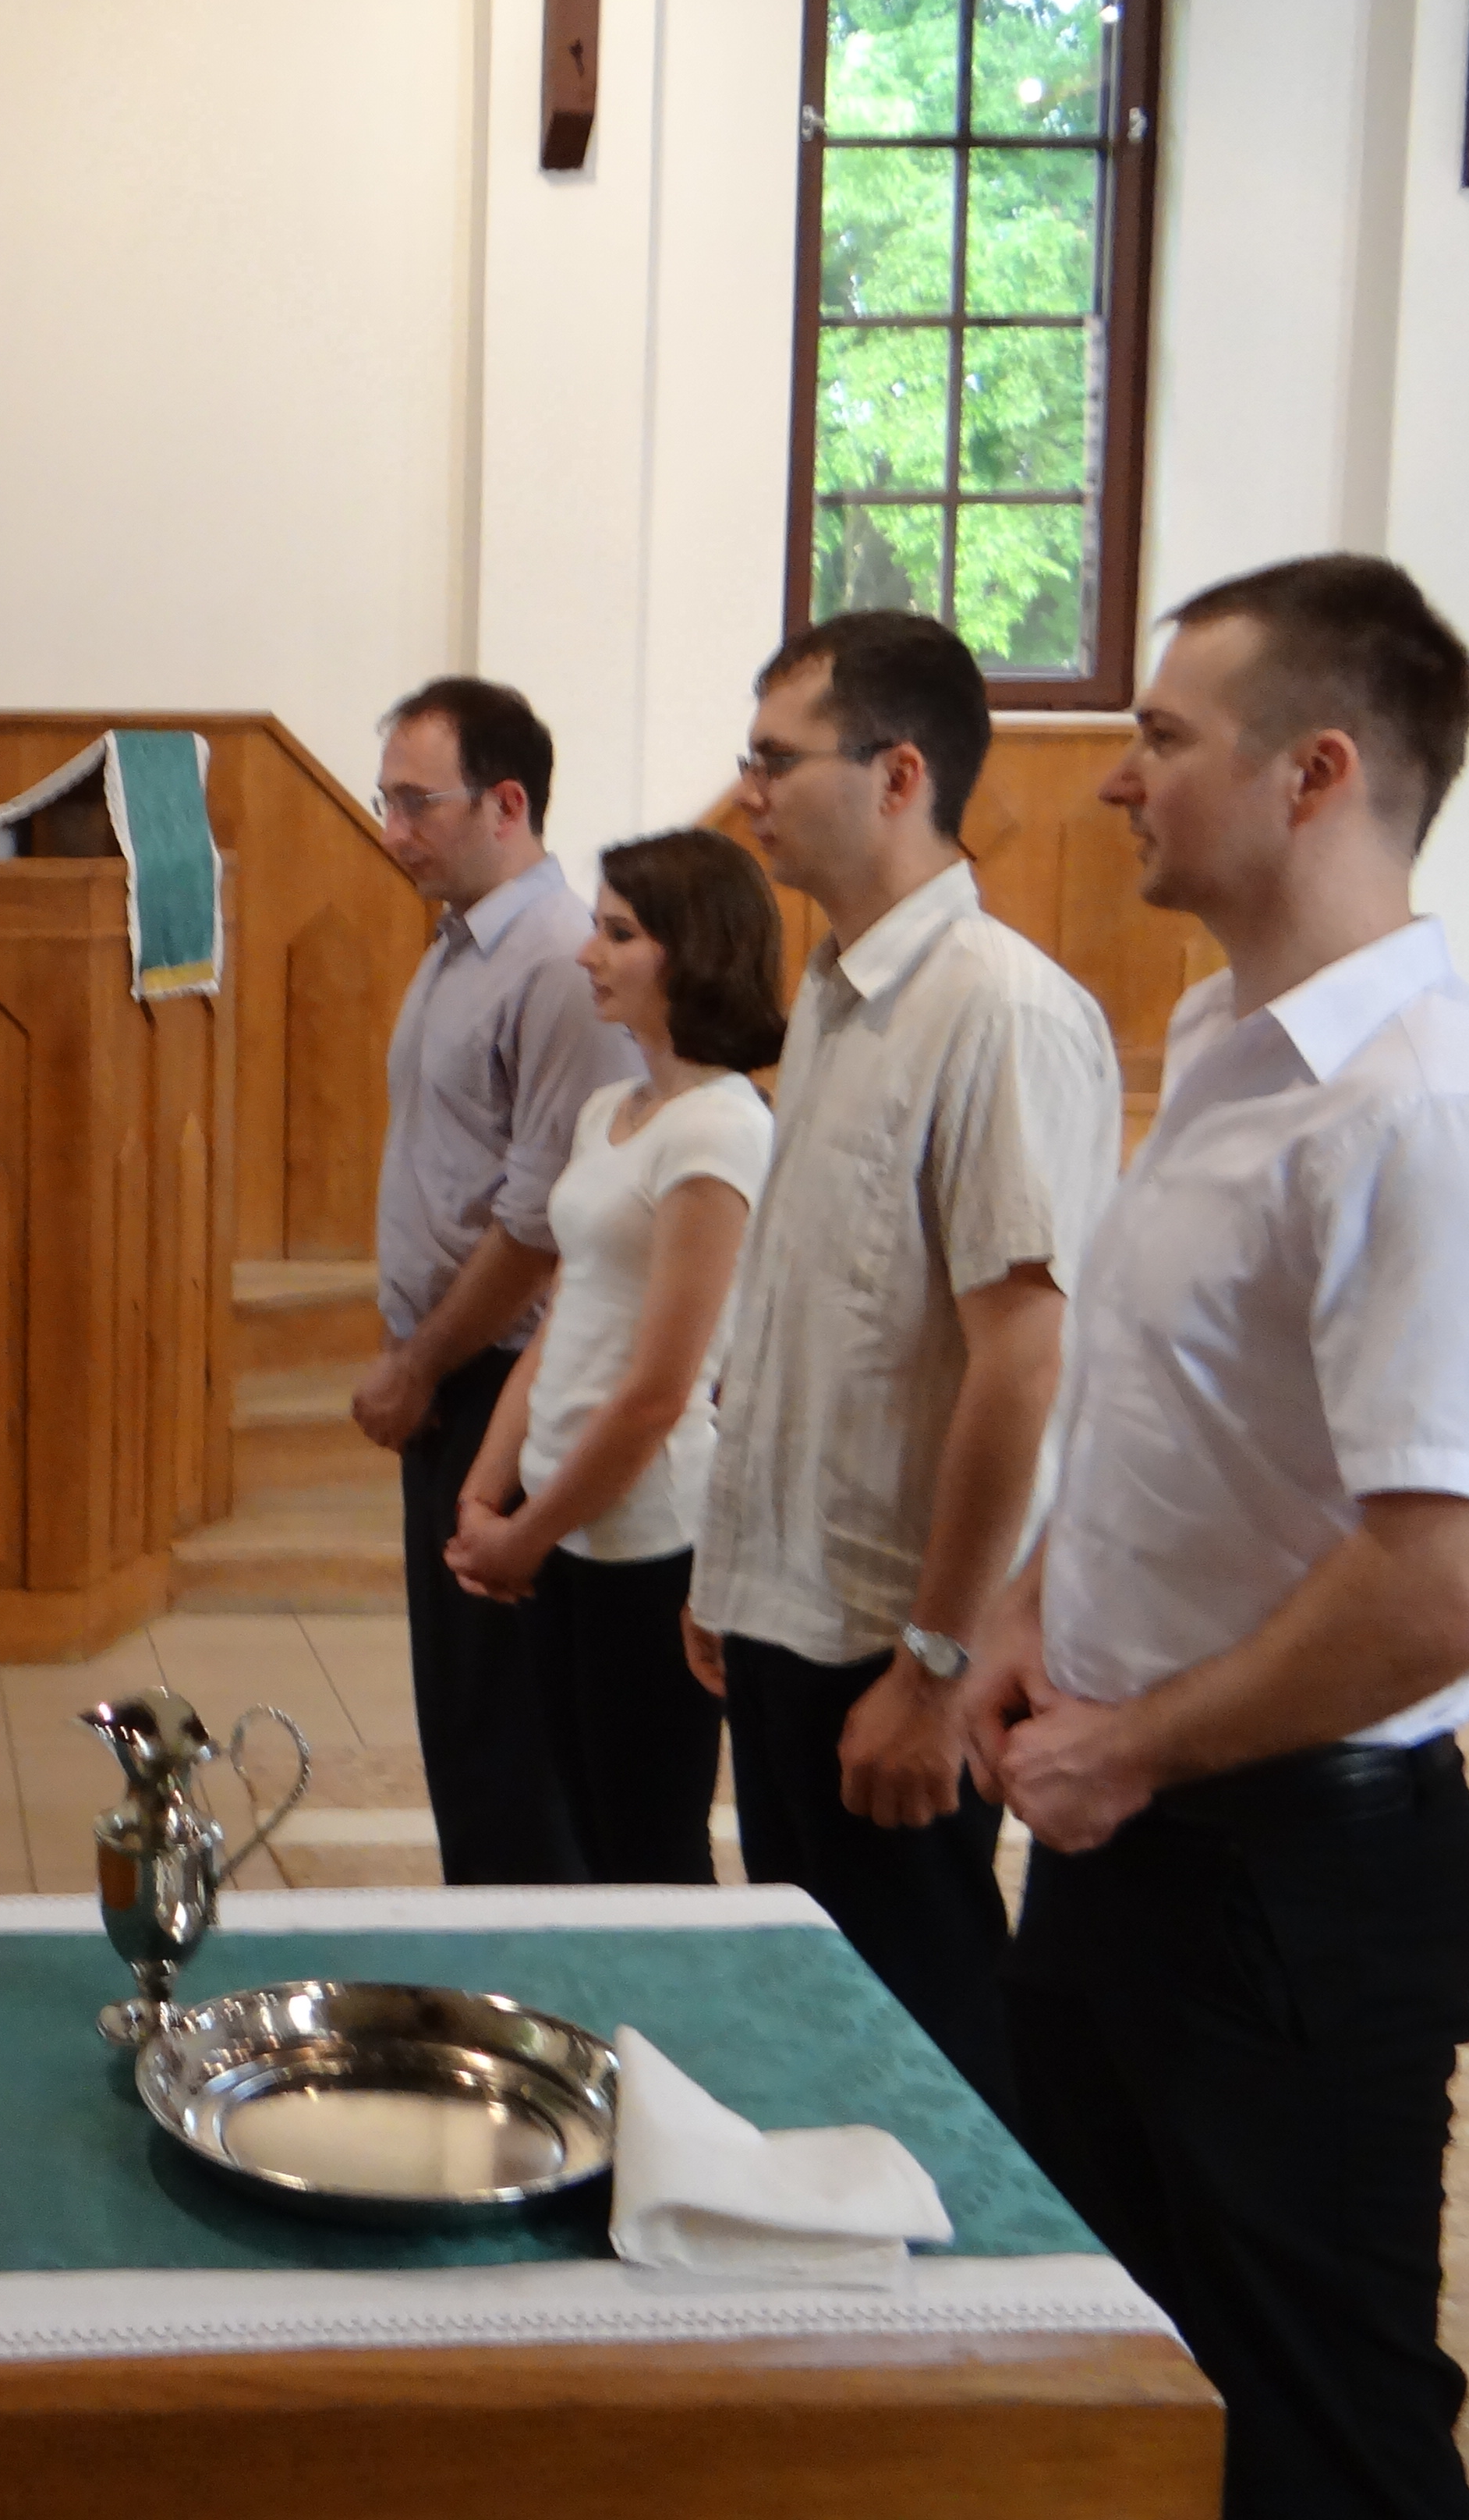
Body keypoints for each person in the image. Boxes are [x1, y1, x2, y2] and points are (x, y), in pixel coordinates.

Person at [959, 556, 1469, 2520]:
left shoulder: (1431, 1111)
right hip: (1141, 1825)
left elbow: (1460, 1578)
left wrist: (1138, 1742)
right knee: (1126, 2370)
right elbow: (1175, 1407)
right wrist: (1037, 1599)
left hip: (1293, 1870)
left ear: (1315, 773)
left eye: (1160, 737)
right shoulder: (1231, 1036)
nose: (1114, 779)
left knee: (1318, 2426)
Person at [689, 611, 1117, 2122]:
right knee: (818, 2012)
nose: (748, 792)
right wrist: (731, 1574)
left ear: (898, 776)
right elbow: (806, 1320)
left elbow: (1023, 1366)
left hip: (892, 1638)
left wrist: (937, 1671)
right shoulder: (831, 992)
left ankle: (969, 2270)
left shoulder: (999, 1010)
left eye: (776, 759)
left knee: (925, 2046)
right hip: (793, 1613)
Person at [442, 828, 781, 1884]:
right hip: (562, 1512)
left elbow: (658, 1392)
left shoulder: (720, 1129)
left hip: (643, 1532)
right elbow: (564, 1319)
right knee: (583, 1830)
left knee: (647, 1848)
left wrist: (527, 1534)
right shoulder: (612, 1112)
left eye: (620, 933)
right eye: (597, 927)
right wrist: (485, 1493)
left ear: (696, 951)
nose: (589, 954)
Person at [347, 677, 639, 1884]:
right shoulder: (460, 944)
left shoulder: (560, 965)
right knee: (467, 1725)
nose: (392, 830)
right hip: (454, 1372)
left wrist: (422, 1362)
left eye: (418, 803)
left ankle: (529, 1963)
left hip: (501, 1380)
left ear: (507, 804)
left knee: (509, 1733)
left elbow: (539, 1218)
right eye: (386, 800)